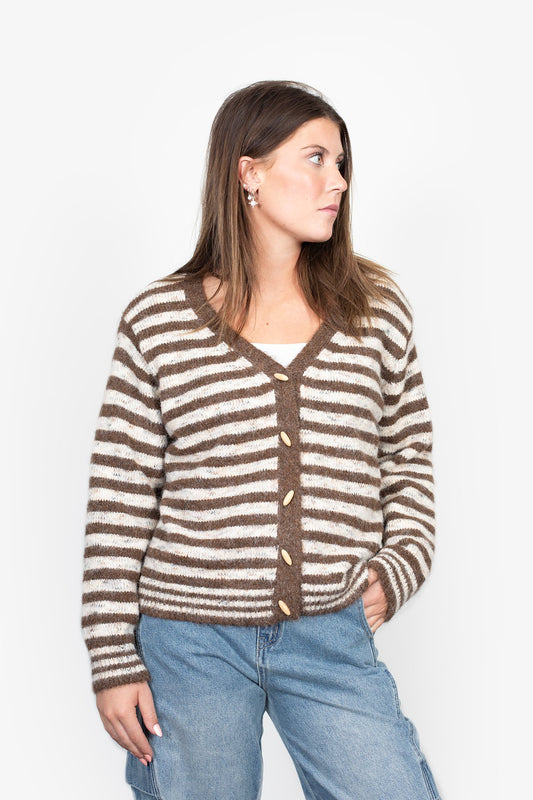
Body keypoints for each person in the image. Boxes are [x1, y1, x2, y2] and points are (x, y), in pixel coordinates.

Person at [81, 79, 441, 800]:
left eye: (341, 163)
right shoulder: (159, 321)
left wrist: (399, 566)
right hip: (189, 642)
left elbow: (407, 460)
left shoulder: (373, 313)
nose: (337, 182)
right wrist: (112, 658)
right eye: (315, 158)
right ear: (249, 172)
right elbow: (120, 497)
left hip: (331, 634)